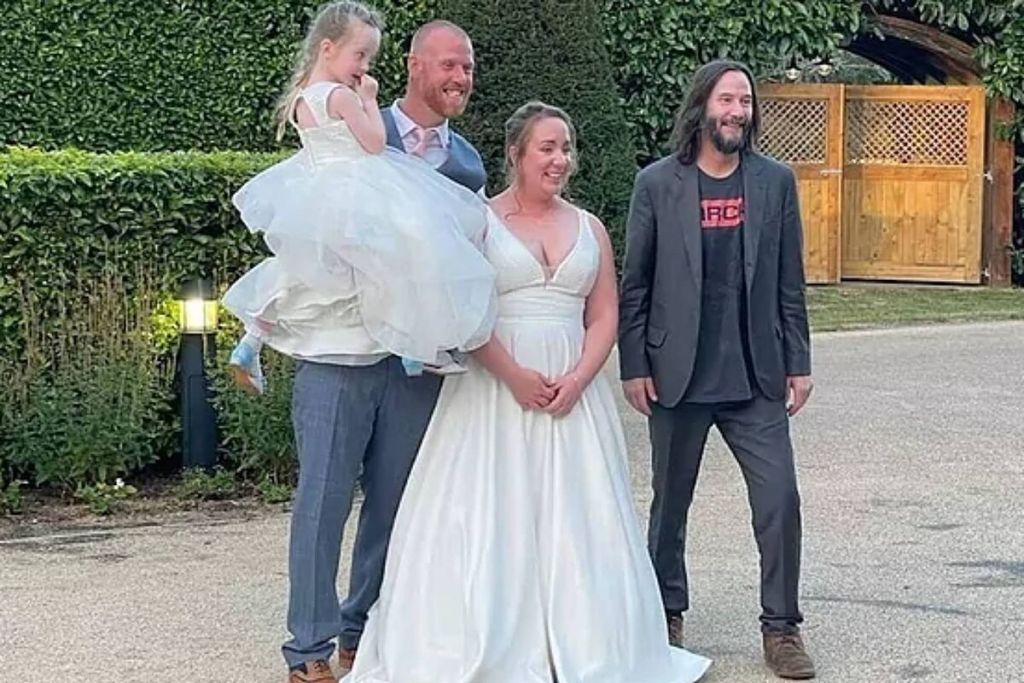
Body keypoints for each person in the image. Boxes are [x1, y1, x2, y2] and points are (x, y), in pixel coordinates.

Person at [345, 102, 711, 683]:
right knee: (492, 509)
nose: (560, 159)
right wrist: (512, 373)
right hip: (494, 390)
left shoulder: (589, 227)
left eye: (566, 148)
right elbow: (464, 311)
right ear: (515, 154)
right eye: (547, 148)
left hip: (573, 393)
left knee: (580, 516)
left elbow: (605, 312)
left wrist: (581, 377)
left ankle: (585, 638)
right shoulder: (478, 222)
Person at [221, 6, 491, 682]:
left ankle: (361, 631)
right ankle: (308, 649)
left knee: (395, 505)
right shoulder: (352, 128)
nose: (460, 76)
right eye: (448, 63)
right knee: (322, 504)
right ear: (413, 67)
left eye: (467, 66)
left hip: (412, 368)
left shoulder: (466, 162)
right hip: (336, 361)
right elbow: (308, 237)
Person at [617, 59, 816, 680]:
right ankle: (664, 615)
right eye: (727, 100)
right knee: (670, 506)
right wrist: (633, 364)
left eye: (745, 102)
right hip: (677, 375)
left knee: (779, 499)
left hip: (755, 377)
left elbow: (789, 280)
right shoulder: (658, 184)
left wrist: (799, 362)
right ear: (702, 106)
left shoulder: (774, 182)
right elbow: (635, 283)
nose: (737, 111)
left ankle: (781, 628)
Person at [223, 6, 494, 393]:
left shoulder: (302, 99)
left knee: (298, 270)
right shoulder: (342, 97)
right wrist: (368, 99)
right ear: (328, 48)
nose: (365, 67)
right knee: (408, 245)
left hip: (316, 191)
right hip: (356, 187)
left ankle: (252, 338)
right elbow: (374, 142)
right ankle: (417, 345)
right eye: (360, 55)